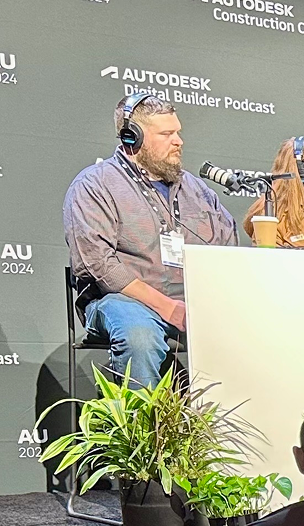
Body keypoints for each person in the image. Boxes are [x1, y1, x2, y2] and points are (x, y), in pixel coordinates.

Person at [62, 92, 240, 388]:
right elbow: (100, 265)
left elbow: (227, 248)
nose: (179, 141)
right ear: (132, 138)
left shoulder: (197, 190)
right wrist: (167, 307)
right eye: (167, 134)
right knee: (139, 335)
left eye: (178, 132)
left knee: (255, 326)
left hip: (193, 303)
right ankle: (141, 419)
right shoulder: (94, 185)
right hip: (124, 301)